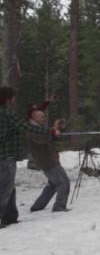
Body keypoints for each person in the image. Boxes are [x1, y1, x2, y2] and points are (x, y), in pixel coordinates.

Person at [0, 87, 60, 229]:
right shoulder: (7, 113)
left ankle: (10, 217)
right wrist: (50, 130)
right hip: (5, 156)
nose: (15, 100)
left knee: (8, 187)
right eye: (13, 97)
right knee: (5, 189)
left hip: (5, 156)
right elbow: (27, 126)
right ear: (8, 99)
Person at [28, 110, 70, 212]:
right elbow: (43, 140)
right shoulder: (32, 129)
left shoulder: (40, 128)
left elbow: (51, 138)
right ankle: (59, 206)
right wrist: (54, 128)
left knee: (53, 184)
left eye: (44, 116)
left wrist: (58, 129)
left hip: (50, 158)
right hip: (47, 160)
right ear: (34, 118)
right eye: (41, 117)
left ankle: (37, 206)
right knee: (63, 182)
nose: (44, 118)